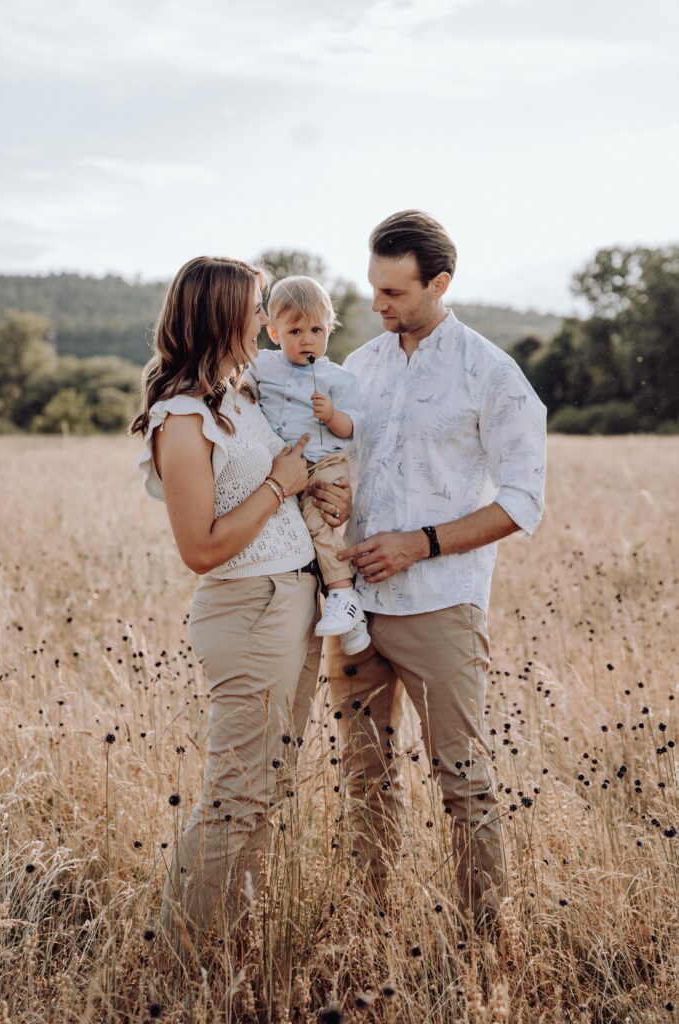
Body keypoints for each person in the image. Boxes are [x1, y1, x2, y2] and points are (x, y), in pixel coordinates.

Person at [325, 210, 547, 929]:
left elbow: (521, 501)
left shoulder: (492, 373)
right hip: (353, 611)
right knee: (362, 780)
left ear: (438, 283)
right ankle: (369, 926)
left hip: (440, 607)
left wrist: (418, 543)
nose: (377, 306)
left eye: (392, 292)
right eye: (373, 290)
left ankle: (486, 937)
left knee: (464, 780)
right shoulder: (357, 369)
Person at [129, 255, 351, 940]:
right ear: (222, 315)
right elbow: (200, 546)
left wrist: (316, 488)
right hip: (247, 607)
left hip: (294, 600)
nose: (264, 321)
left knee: (270, 785)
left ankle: (235, 937)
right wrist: (281, 487)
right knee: (235, 793)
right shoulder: (182, 417)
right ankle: (182, 954)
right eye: (255, 308)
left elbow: (285, 474)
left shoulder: (239, 396)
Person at [247, 275, 370, 656]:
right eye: (295, 330)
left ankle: (343, 594)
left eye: (317, 329)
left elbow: (354, 429)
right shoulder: (264, 366)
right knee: (303, 538)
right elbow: (241, 385)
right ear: (272, 332)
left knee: (320, 520)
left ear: (329, 329)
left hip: (325, 461)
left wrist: (332, 415)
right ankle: (354, 625)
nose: (307, 340)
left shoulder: (337, 378)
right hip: (288, 467)